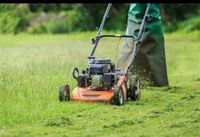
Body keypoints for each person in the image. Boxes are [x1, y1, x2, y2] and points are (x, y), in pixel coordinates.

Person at [116, 3, 169, 87]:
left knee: (149, 47)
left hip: (151, 17)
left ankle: (155, 81)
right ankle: (120, 77)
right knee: (131, 45)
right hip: (135, 18)